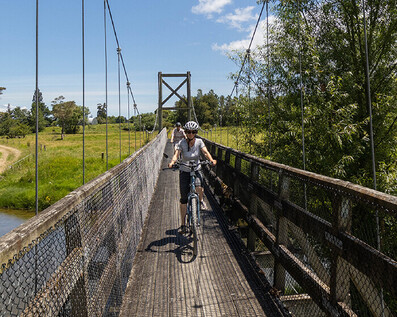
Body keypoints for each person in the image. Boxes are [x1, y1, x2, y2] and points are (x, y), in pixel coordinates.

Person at [168, 121, 217, 233]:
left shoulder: (199, 142)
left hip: (196, 168)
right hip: (184, 170)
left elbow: (205, 152)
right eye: (188, 132)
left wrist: (211, 160)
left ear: (195, 132)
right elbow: (176, 154)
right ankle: (183, 224)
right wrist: (172, 162)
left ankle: (200, 201)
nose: (190, 134)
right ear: (186, 132)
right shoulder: (181, 142)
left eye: (193, 132)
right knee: (184, 198)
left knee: (199, 187)